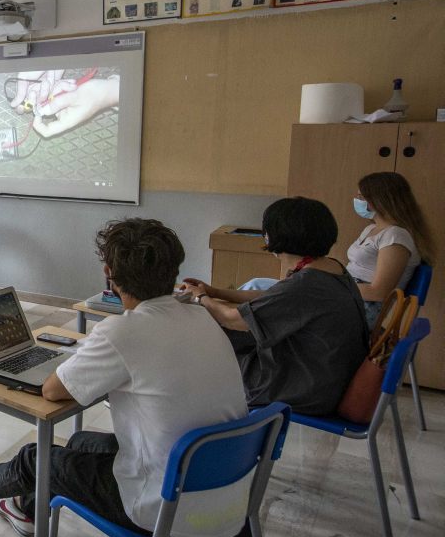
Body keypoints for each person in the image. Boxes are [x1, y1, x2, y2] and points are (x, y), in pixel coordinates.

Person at [0, 218, 247, 537]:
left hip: (165, 509)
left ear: (109, 275)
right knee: (81, 442)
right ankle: (23, 509)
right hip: (226, 493)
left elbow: (52, 391)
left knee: (37, 456)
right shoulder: (201, 316)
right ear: (174, 269)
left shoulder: (122, 331)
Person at [180, 197, 368, 415]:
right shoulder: (330, 268)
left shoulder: (307, 283)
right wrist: (214, 292)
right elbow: (274, 296)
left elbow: (232, 318)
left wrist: (201, 298)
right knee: (225, 338)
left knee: (211, 343)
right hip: (327, 375)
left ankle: (205, 413)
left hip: (305, 389)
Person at [348, 172, 434, 327]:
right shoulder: (371, 229)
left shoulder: (396, 235)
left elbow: (379, 292)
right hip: (351, 296)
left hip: (364, 308)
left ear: (380, 200)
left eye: (361, 197)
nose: (357, 201)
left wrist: (336, 286)